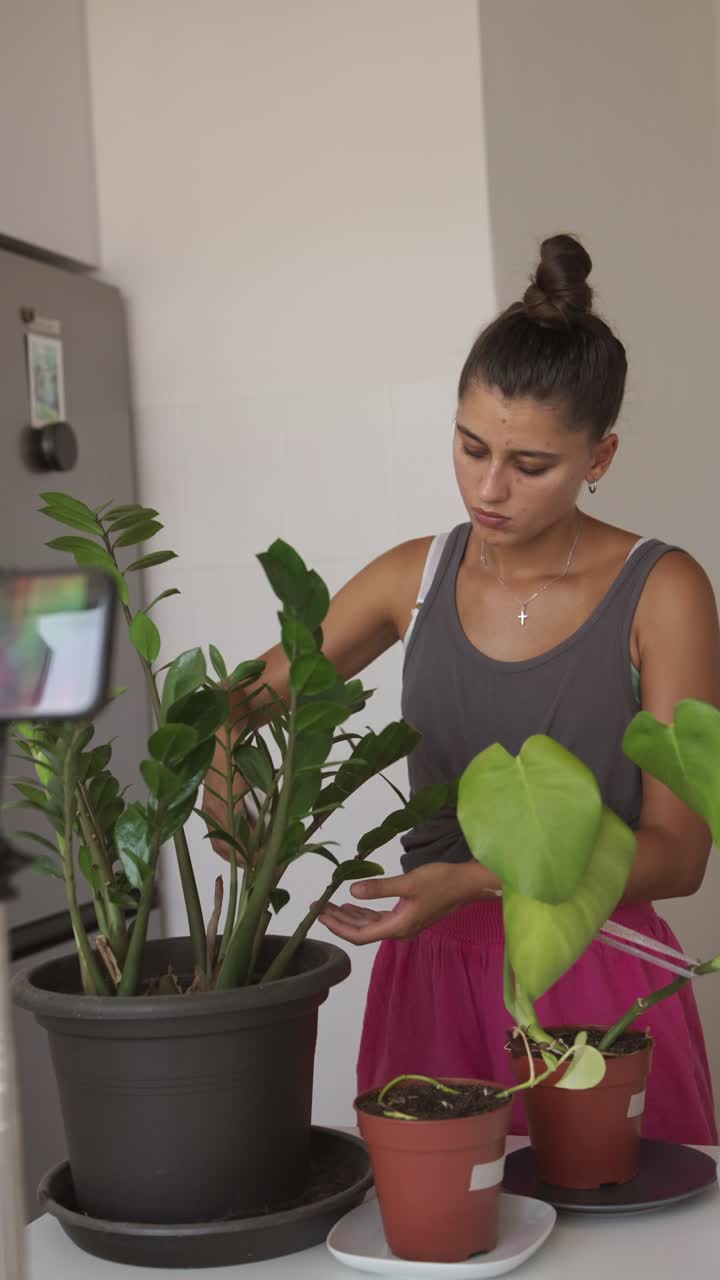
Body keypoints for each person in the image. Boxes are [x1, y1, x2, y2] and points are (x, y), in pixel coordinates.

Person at [204, 234, 720, 1142]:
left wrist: (475, 883)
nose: (490, 488)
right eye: (471, 445)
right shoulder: (413, 577)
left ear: (599, 458)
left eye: (531, 467)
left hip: (592, 979)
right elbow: (243, 703)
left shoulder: (663, 591)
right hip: (428, 976)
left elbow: (679, 858)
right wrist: (221, 765)